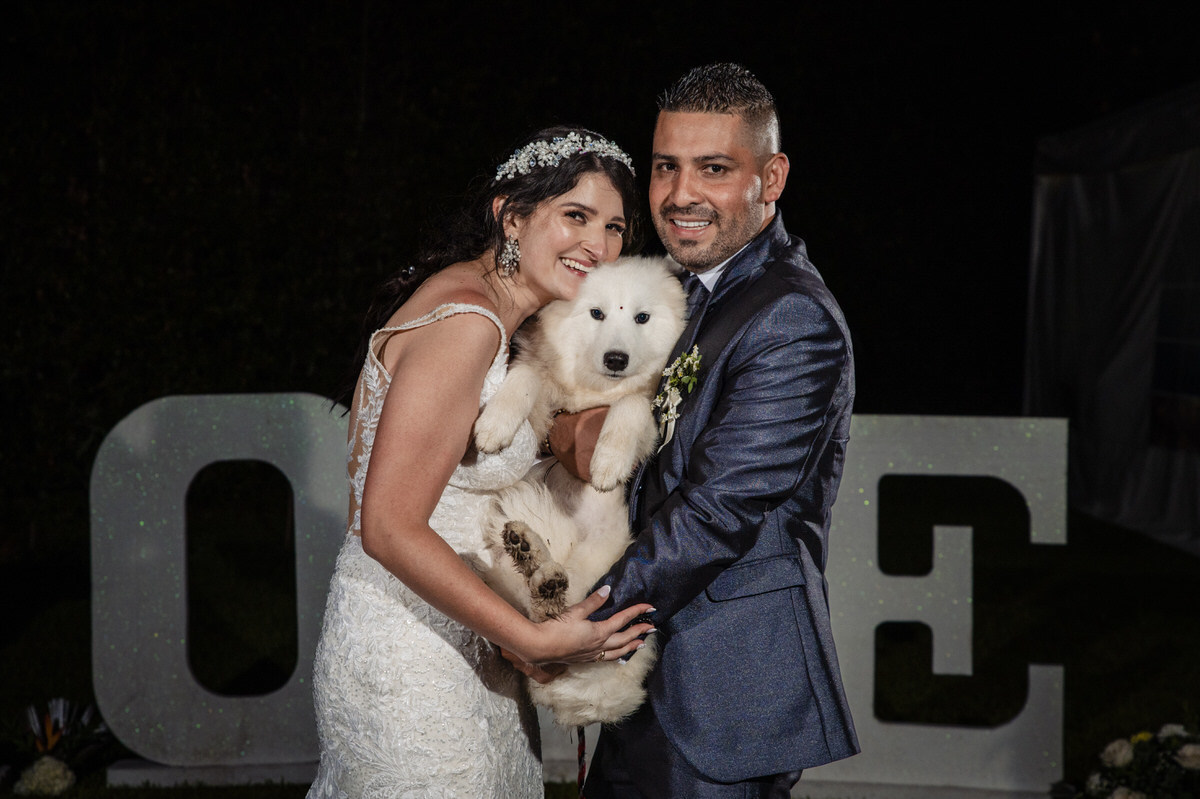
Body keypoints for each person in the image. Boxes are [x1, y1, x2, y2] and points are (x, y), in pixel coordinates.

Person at [307, 126, 656, 799]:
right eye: (575, 216)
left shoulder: (506, 319)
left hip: (471, 640)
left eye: (615, 227)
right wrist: (535, 638)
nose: (599, 244)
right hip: (413, 657)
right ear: (510, 215)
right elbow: (386, 524)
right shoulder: (467, 320)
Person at [554, 63, 860, 797]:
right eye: (666, 167)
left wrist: (580, 625)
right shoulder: (681, 292)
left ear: (772, 177)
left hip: (721, 693)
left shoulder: (791, 318)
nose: (681, 195)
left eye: (713, 169)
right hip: (646, 667)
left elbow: (715, 511)